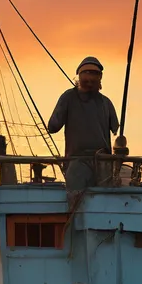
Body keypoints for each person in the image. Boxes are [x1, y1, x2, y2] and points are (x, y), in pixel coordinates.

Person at [47, 57, 119, 191]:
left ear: (100, 78)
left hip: (99, 163)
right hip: (79, 162)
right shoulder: (69, 97)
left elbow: (52, 126)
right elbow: (53, 126)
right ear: (79, 78)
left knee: (96, 200)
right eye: (87, 79)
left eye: (93, 78)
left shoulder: (106, 103)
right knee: (81, 200)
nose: (90, 83)